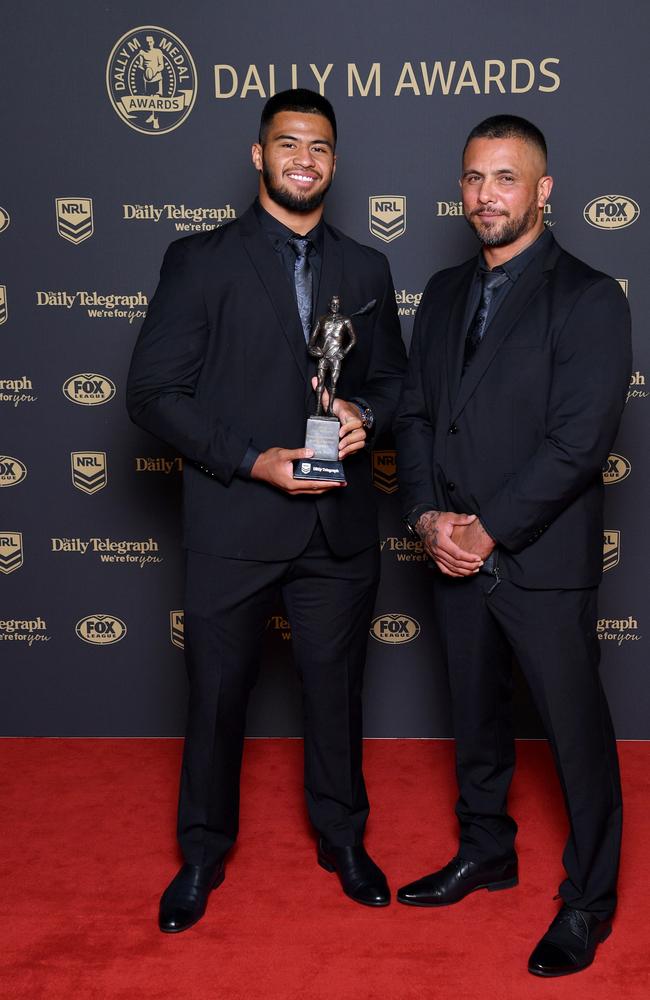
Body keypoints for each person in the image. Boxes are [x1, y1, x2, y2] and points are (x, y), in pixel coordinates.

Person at [127, 88, 407, 933]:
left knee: (338, 697)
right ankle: (204, 853)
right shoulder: (199, 259)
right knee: (216, 698)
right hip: (235, 525)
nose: (305, 160)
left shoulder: (365, 268)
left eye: (320, 147)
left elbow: (392, 381)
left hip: (337, 527)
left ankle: (343, 839)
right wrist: (254, 461)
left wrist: (368, 416)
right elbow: (152, 393)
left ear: (334, 160)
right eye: (288, 144)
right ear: (259, 156)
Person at [394, 115, 631, 977]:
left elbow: (577, 442)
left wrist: (485, 529)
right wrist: (428, 522)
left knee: (574, 737)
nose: (485, 195)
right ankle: (487, 852)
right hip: (450, 548)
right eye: (471, 178)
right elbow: (416, 417)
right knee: (475, 724)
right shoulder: (446, 291)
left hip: (539, 560)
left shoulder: (590, 296)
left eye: (504, 177)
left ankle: (590, 899)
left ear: (543, 190)